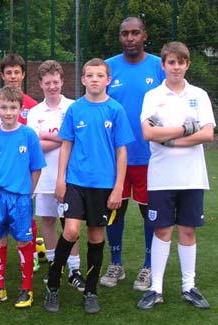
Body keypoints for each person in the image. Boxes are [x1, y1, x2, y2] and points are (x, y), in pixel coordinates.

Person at [43, 59, 134, 314]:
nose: (95, 79)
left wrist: (118, 188)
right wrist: (60, 179)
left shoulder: (115, 110)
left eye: (100, 75)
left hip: (104, 185)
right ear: (83, 80)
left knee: (96, 236)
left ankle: (91, 291)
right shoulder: (75, 110)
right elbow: (66, 146)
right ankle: (53, 286)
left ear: (108, 80)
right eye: (90, 75)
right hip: (75, 182)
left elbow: (122, 152)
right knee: (70, 231)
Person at [136, 41, 215, 310]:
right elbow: (148, 134)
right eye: (171, 62)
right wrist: (185, 129)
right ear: (163, 65)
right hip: (161, 176)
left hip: (192, 176)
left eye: (181, 62)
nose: (176, 67)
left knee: (188, 230)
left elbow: (207, 134)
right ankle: (155, 289)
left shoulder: (199, 95)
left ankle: (188, 286)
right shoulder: (152, 96)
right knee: (161, 229)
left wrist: (170, 139)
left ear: (187, 64)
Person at [101, 16, 166, 291]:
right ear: (119, 37)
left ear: (144, 35)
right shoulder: (109, 68)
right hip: (115, 158)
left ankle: (148, 266)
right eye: (125, 33)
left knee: (149, 213)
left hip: (150, 156)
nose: (130, 38)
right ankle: (116, 263)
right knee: (115, 209)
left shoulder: (157, 66)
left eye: (135, 33)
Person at [0, 85, 46, 309]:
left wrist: (28, 192)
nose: (8, 112)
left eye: (13, 107)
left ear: (20, 109)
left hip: (20, 198)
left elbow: (36, 168)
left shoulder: (28, 135)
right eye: (4, 107)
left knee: (24, 241)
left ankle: (26, 288)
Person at [26, 60, 85, 291]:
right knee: (48, 221)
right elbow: (34, 146)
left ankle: (74, 269)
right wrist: (61, 137)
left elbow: (75, 139)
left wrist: (49, 137)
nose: (52, 86)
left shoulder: (73, 107)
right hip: (43, 176)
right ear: (40, 84)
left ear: (62, 81)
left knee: (69, 224)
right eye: (47, 82)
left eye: (56, 82)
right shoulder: (34, 112)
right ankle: (54, 266)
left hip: (69, 176)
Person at [0, 53, 40, 272]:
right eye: (9, 72)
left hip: (22, 169)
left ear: (23, 75)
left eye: (17, 72)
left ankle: (31, 251)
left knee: (26, 211)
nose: (13, 76)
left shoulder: (33, 105)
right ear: (2, 75)